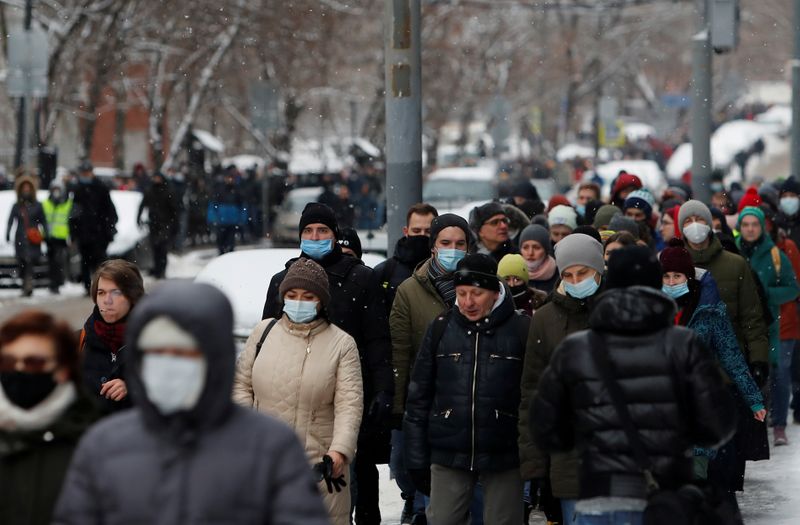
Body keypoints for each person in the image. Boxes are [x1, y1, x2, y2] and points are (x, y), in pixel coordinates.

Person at [53, 281, 330, 524]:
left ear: (214, 357)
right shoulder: (103, 446)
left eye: (183, 351)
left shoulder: (272, 448)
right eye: (156, 351)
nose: (168, 362)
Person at [532, 246, 736, 525]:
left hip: (598, 497)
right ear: (656, 284)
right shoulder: (682, 345)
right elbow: (718, 424)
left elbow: (547, 431)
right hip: (664, 499)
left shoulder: (576, 349)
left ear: (610, 284)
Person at [261, 202, 393, 525]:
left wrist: (384, 389)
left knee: (349, 484)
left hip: (349, 397)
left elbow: (377, 340)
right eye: (308, 231)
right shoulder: (284, 280)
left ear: (334, 236)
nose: (315, 236)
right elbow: (267, 342)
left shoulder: (362, 279)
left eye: (322, 231)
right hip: (296, 398)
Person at [233, 258, 363, 524]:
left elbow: (349, 405)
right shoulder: (263, 332)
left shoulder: (342, 344)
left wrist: (340, 451)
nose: (298, 301)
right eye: (292, 295)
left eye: (307, 296)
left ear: (321, 301)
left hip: (320, 470)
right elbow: (241, 385)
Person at [404, 254, 529, 525]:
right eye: (461, 293)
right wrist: (415, 456)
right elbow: (419, 397)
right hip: (449, 448)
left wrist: (533, 455)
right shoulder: (441, 328)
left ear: (495, 292)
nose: (468, 302)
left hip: (504, 452)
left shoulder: (521, 329)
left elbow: (533, 397)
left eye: (476, 293)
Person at [678, 199, 770, 496]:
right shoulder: (672, 268)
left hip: (728, 376)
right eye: (688, 219)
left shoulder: (734, 264)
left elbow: (752, 319)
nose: (694, 225)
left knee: (726, 459)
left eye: (698, 218)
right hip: (689, 379)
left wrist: (757, 360)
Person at [659, 239, 766, 479]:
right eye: (666, 277)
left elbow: (731, 355)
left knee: (696, 476)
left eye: (677, 276)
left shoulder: (709, 310)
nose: (671, 282)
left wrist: (753, 399)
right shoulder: (652, 310)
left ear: (688, 277)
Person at [390, 213, 472, 524]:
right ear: (433, 246)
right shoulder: (410, 291)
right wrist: (399, 406)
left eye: (460, 243)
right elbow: (400, 351)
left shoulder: (484, 285)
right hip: (428, 404)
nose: (453, 249)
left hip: (472, 400)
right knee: (425, 482)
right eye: (446, 243)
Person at [518, 233, 606, 522]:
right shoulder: (544, 319)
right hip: (568, 458)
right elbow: (532, 393)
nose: (576, 280)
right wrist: (535, 468)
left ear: (599, 271)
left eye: (583, 273)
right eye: (568, 274)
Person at [0, 311, 97, 525]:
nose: (18, 370)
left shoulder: (95, 443)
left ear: (62, 369)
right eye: (7, 362)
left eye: (33, 362)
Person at [736, 206, 799, 446]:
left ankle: (780, 424)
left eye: (754, 224)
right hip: (744, 327)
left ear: (762, 226)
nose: (750, 229)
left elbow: (792, 288)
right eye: (745, 225)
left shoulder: (775, 254)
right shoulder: (734, 252)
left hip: (773, 326)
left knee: (779, 374)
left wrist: (765, 295)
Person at [79, 259, 144, 415]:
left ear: (132, 296)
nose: (107, 301)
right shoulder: (82, 339)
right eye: (101, 293)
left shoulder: (154, 338)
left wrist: (132, 388)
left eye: (116, 292)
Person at [374, 203, 438, 313]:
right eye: (417, 231)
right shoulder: (385, 271)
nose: (422, 235)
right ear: (406, 231)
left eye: (428, 231)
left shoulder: (445, 269)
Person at [69, 161, 118, 293]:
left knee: (99, 262)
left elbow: (110, 210)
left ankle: (100, 286)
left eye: (87, 173)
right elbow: (74, 213)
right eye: (83, 173)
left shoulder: (101, 188)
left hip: (99, 233)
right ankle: (87, 285)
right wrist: (73, 232)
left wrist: (109, 228)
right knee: (85, 261)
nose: (85, 175)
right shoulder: (78, 190)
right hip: (84, 233)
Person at [6, 175, 46, 296]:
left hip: (33, 238)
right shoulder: (16, 205)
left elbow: (43, 220)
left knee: (30, 262)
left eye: (28, 188)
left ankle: (28, 285)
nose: (26, 190)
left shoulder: (38, 205)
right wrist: (7, 233)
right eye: (24, 188)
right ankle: (25, 282)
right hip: (20, 238)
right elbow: (10, 220)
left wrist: (46, 233)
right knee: (21, 262)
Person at [137, 172, 179, 279]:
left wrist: (175, 223)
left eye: (158, 178)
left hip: (165, 223)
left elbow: (174, 209)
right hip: (154, 223)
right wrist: (138, 218)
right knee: (155, 248)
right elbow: (142, 205)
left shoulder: (168, 191)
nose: (156, 180)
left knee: (163, 248)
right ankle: (157, 269)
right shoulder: (150, 190)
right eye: (154, 178)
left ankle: (162, 270)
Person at [42, 180, 72, 294]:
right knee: (52, 262)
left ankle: (58, 283)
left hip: (61, 238)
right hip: (49, 238)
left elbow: (71, 221)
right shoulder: (46, 203)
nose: (56, 192)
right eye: (54, 190)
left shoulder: (67, 204)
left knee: (58, 261)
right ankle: (53, 283)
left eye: (58, 190)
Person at [518, 224, 558, 293]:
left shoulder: (559, 276)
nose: (530, 253)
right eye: (525, 247)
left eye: (536, 247)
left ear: (546, 250)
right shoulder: (514, 275)